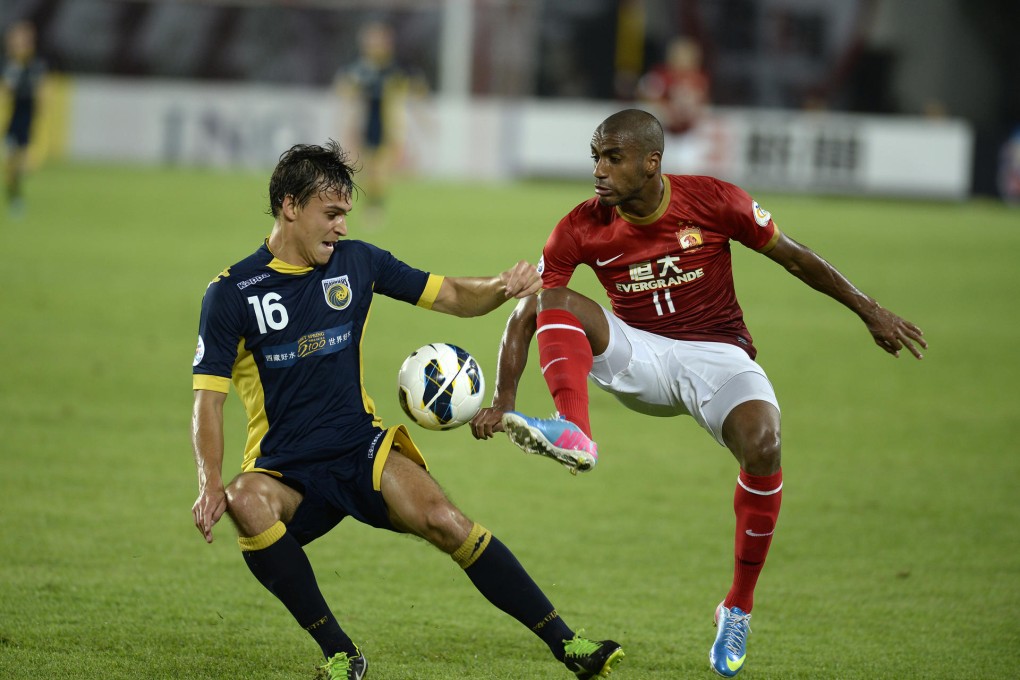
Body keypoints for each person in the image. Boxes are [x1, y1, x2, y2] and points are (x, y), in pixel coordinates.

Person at [470, 109, 926, 678]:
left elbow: (796, 256)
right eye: (596, 157)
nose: (599, 170)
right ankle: (575, 430)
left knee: (764, 444)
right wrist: (504, 402)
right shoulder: (579, 226)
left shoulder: (715, 200)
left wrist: (870, 311)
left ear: (650, 162)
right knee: (550, 300)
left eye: (613, 158)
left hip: (717, 354)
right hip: (639, 353)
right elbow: (525, 312)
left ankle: (736, 606)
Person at [190, 140, 624, 680]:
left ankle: (570, 645)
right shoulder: (233, 293)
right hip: (285, 468)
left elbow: (450, 296)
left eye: (345, 215)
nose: (341, 228)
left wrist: (504, 287)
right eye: (331, 215)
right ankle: (340, 652)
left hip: (359, 448)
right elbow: (208, 399)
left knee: (446, 520)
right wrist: (210, 482)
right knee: (243, 499)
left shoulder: (358, 262)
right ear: (290, 207)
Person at [333, 21, 420, 228]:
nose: (376, 45)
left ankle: (374, 209)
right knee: (364, 168)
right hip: (364, 125)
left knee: (380, 170)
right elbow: (344, 92)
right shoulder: (358, 69)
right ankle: (367, 207)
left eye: (380, 40)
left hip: (386, 128)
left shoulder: (396, 70)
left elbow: (413, 92)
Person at [2, 20, 46, 217]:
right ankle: (14, 196)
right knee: (13, 162)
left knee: (24, 163)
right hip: (12, 119)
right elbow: (5, 91)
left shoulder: (36, 66)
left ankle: (15, 196)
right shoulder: (10, 65)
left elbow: (42, 93)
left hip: (28, 121)